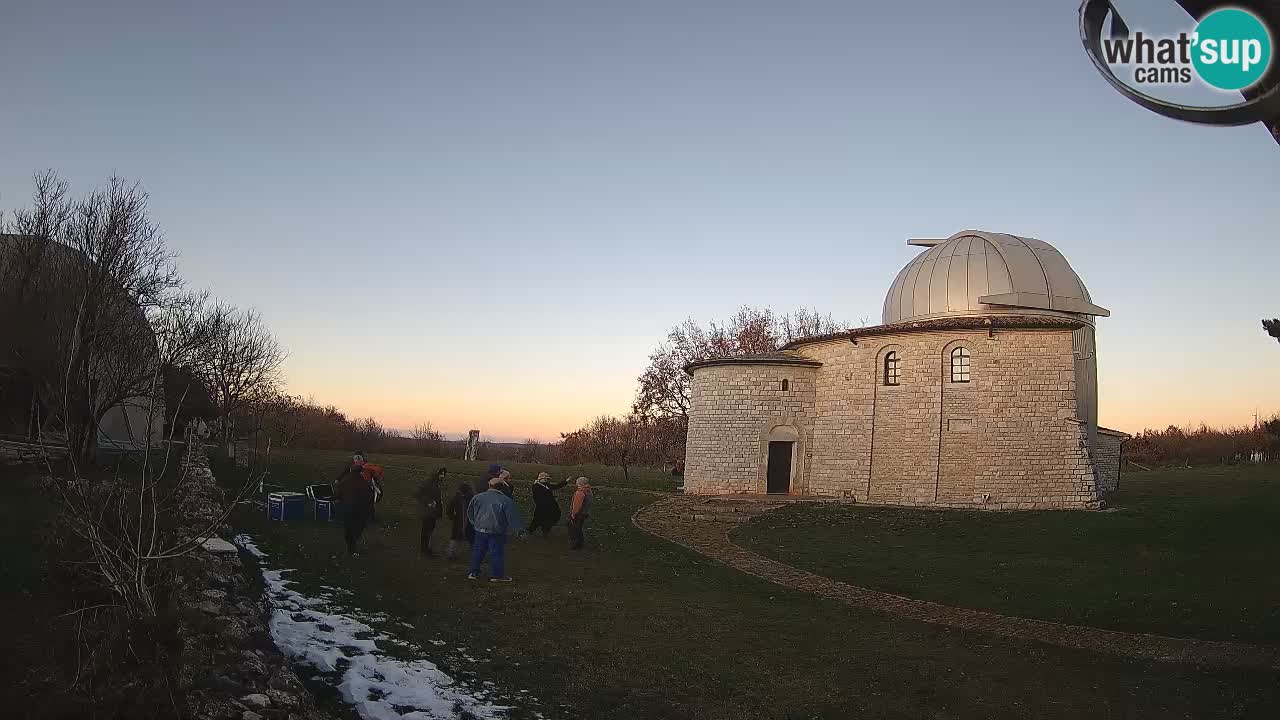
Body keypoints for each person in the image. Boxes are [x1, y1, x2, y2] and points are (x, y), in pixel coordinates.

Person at [466, 476, 523, 582]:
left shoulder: (478, 497)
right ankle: (497, 575)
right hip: (497, 531)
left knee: (478, 551)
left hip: (479, 529)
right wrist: (518, 530)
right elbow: (512, 518)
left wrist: (475, 523)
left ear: (489, 485)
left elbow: (470, 512)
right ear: (502, 487)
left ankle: (473, 572)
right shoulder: (506, 501)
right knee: (496, 553)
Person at [334, 461, 377, 556]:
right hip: (361, 509)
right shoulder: (365, 483)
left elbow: (337, 495)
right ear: (360, 472)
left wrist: (338, 499)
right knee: (358, 527)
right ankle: (354, 540)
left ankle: (351, 546)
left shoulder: (344, 481)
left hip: (348, 508)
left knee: (348, 528)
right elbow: (370, 497)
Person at [415, 467, 446, 557]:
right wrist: (428, 502)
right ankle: (425, 549)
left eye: (444, 474)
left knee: (430, 530)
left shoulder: (436, 483)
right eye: (441, 474)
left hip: (433, 512)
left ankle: (427, 548)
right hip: (427, 512)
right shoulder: (427, 482)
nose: (443, 476)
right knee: (426, 530)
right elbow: (418, 493)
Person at [528, 472, 569, 536]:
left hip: (549, 506)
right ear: (542, 478)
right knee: (537, 519)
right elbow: (537, 497)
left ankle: (545, 530)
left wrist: (565, 481)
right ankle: (531, 531)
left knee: (549, 518)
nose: (547, 480)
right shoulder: (536, 486)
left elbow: (556, 486)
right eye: (546, 478)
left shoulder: (546, 484)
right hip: (542, 506)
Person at [446, 479, 475, 560]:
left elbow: (449, 510)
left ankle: (451, 554)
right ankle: (474, 555)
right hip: (469, 522)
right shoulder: (472, 498)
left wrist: (451, 517)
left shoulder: (456, 498)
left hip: (458, 522)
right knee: (472, 539)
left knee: (455, 538)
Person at [568, 476, 593, 551]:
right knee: (579, 528)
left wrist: (573, 515)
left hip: (578, 514)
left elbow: (576, 506)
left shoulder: (580, 492)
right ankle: (580, 543)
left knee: (575, 529)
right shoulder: (589, 491)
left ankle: (576, 544)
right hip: (584, 513)